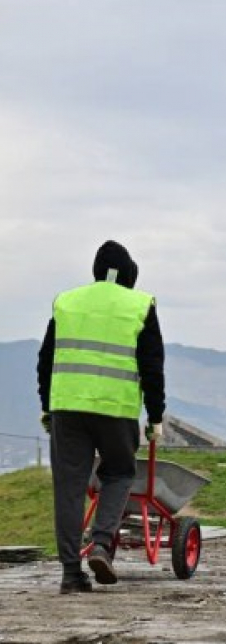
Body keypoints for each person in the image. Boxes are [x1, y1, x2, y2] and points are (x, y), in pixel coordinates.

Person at [37, 240, 166, 593]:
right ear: (129, 274)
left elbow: (46, 359)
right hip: (115, 409)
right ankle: (102, 545)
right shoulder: (139, 304)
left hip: (67, 408)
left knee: (69, 487)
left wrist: (47, 406)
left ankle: (70, 573)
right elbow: (152, 366)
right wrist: (156, 416)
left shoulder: (66, 301)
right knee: (120, 472)